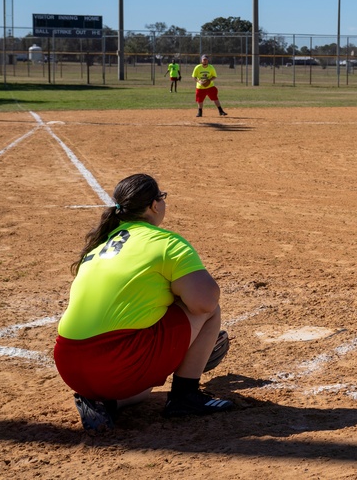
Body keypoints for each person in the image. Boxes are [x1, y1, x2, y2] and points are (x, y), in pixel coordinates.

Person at [54, 174, 232, 432]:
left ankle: (106, 404)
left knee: (145, 389)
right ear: (153, 206)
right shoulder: (166, 242)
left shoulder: (100, 243)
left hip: (70, 366)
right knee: (210, 311)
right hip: (117, 363)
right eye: (162, 197)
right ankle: (185, 396)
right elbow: (205, 302)